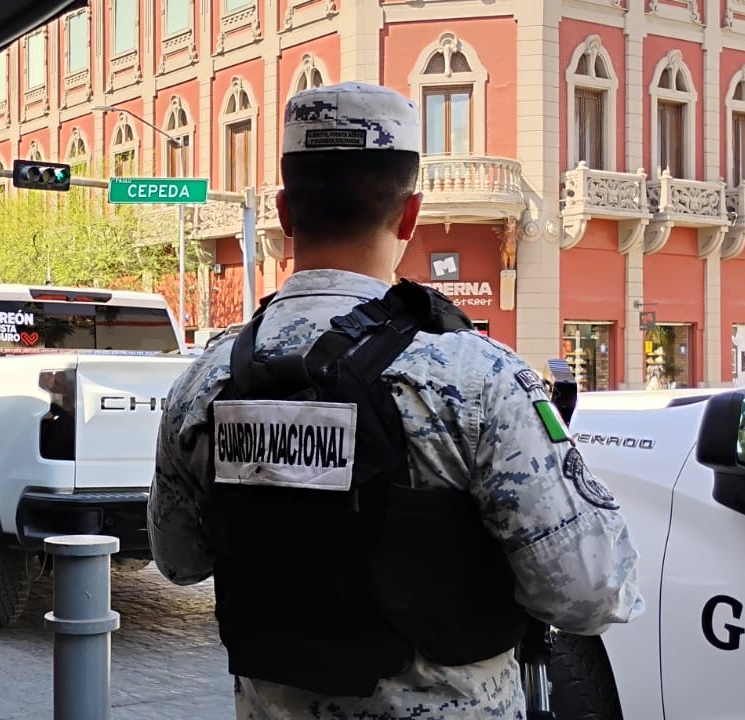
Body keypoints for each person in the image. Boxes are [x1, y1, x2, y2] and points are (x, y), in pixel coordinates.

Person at [148, 81, 644, 720]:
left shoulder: (205, 381)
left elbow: (179, 561)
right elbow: (590, 590)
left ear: (284, 212)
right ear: (410, 216)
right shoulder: (477, 379)